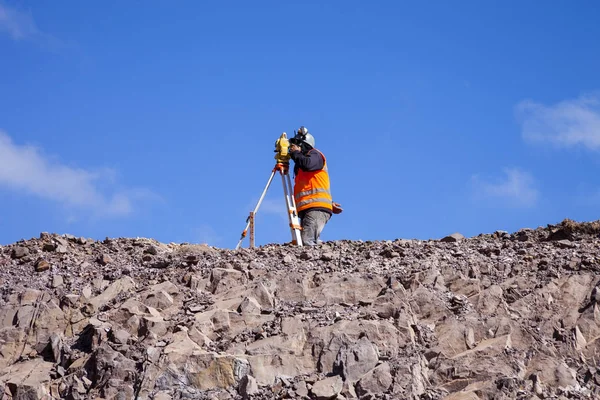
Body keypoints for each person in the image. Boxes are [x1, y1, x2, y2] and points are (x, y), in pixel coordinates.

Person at [289, 126, 341, 245]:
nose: (293, 147)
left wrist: (296, 153)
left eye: (297, 144)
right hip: (309, 208)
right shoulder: (300, 164)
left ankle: (318, 259)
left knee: (307, 242)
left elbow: (307, 164)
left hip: (316, 207)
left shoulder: (315, 155)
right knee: (304, 241)